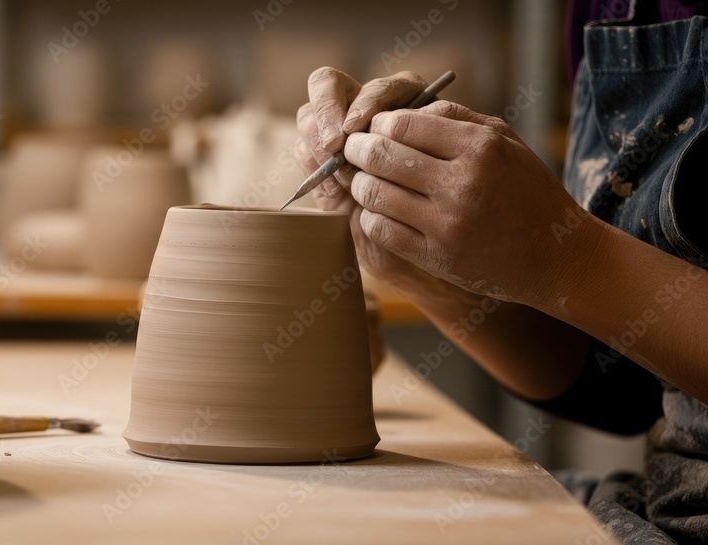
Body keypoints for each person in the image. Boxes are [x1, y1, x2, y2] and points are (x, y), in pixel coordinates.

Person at [295, 2, 708, 543]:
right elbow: (624, 389)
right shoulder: (603, 8)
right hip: (662, 497)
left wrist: (567, 254)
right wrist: (425, 267)